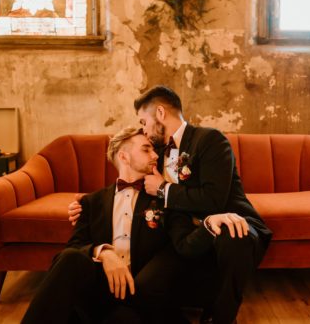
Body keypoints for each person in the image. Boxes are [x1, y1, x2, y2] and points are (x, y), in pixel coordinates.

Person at [69, 85, 272, 324]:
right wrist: (86, 204)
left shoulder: (209, 140)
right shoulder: (154, 150)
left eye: (144, 121)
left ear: (161, 113)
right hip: (182, 233)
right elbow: (127, 177)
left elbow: (214, 199)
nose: (144, 129)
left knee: (231, 232)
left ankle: (222, 316)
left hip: (230, 222)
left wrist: (164, 189)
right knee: (149, 282)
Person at [23, 127, 188, 323]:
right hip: (100, 288)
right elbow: (75, 246)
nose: (154, 155)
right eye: (146, 149)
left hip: (141, 291)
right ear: (124, 157)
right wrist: (103, 252)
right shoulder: (92, 202)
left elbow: (176, 246)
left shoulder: (164, 197)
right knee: (69, 258)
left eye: (154, 150)